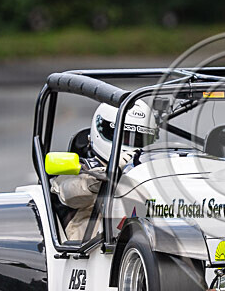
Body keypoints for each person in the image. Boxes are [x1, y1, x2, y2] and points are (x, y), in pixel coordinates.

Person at [51, 100, 157, 240]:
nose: (130, 145)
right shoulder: (82, 167)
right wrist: (105, 175)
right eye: (123, 136)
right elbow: (69, 192)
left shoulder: (150, 169)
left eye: (138, 139)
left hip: (150, 240)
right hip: (95, 247)